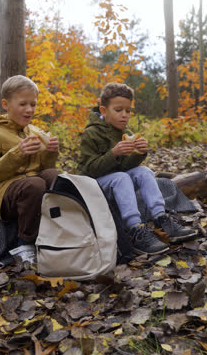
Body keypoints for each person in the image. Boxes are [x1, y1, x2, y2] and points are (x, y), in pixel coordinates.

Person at [77, 82, 197, 255]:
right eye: (118, 110)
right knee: (121, 177)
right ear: (104, 111)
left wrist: (139, 153)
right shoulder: (92, 133)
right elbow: (90, 169)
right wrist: (114, 153)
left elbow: (125, 167)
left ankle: (161, 219)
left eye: (128, 110)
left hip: (115, 180)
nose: (124, 115)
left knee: (145, 171)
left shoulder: (124, 131)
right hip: (92, 185)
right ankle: (134, 230)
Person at [0, 75, 59, 265]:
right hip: (1, 196)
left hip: (30, 192)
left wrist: (51, 153)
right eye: (23, 104)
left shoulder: (35, 132)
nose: (29, 110)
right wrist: (16, 153)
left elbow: (46, 170)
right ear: (6, 104)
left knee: (56, 177)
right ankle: (25, 243)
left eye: (33, 104)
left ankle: (59, 232)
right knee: (34, 184)